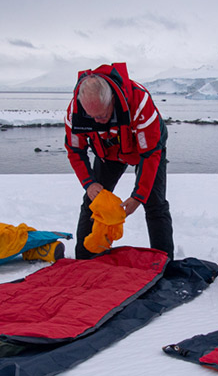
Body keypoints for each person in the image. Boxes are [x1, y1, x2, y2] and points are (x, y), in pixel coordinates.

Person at [64, 62, 174, 260]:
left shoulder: (140, 103)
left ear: (112, 100)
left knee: (154, 202)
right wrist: (88, 183)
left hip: (145, 148)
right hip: (108, 150)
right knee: (93, 200)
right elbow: (75, 150)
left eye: (102, 115)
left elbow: (150, 155)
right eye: (91, 117)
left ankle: (163, 262)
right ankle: (83, 259)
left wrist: (138, 196)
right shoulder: (75, 112)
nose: (96, 121)